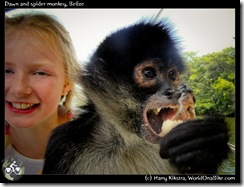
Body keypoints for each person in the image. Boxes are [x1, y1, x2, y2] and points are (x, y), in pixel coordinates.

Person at [5, 12, 82, 174]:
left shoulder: (93, 150)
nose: (19, 89)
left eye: (40, 73)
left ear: (66, 83)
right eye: (6, 70)